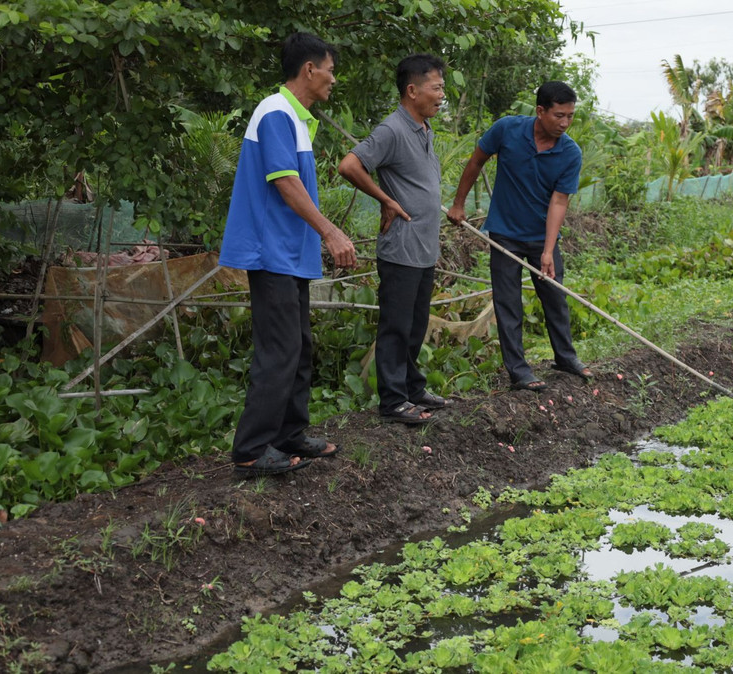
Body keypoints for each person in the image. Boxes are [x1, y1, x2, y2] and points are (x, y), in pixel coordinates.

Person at [219, 33, 356, 476]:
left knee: (299, 347)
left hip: (291, 253)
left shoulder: (297, 119)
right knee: (278, 351)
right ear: (310, 69)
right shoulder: (276, 112)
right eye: (330, 70)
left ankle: (288, 434)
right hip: (270, 250)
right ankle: (251, 450)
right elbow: (285, 182)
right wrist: (330, 232)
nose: (333, 79)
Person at [447, 81, 590, 392]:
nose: (565, 123)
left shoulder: (570, 152)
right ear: (540, 111)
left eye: (570, 116)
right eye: (559, 115)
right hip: (505, 234)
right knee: (508, 303)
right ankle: (519, 371)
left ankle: (566, 357)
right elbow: (476, 162)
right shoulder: (507, 130)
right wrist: (458, 204)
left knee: (554, 297)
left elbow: (559, 201)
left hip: (543, 236)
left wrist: (548, 251)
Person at [339, 54, 448, 424]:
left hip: (424, 248)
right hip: (401, 247)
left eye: (442, 88)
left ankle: (413, 387)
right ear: (412, 90)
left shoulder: (424, 130)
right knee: (396, 326)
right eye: (436, 88)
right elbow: (349, 165)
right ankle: (393, 401)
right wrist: (385, 199)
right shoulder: (392, 129)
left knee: (416, 325)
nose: (441, 95)